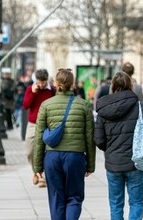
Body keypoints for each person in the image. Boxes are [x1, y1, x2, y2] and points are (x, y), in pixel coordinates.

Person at [33, 68, 95, 220]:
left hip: (52, 157)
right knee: (74, 197)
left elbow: (39, 137)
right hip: (75, 157)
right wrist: (90, 165)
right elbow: (89, 137)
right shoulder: (84, 105)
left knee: (56, 198)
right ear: (73, 84)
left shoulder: (46, 105)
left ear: (55, 83)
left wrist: (37, 167)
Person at [94, 71, 143, 220]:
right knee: (137, 202)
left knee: (115, 204)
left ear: (112, 86)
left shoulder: (103, 109)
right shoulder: (139, 106)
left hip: (113, 163)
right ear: (130, 85)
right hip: (136, 162)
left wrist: (110, 150)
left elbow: (99, 139)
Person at [22, 69, 55, 187]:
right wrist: (33, 93)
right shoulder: (30, 89)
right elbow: (25, 105)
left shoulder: (52, 91)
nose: (41, 85)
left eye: (43, 82)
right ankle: (36, 171)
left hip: (47, 125)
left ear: (47, 80)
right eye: (39, 82)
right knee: (29, 151)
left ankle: (40, 175)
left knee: (44, 151)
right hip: (33, 124)